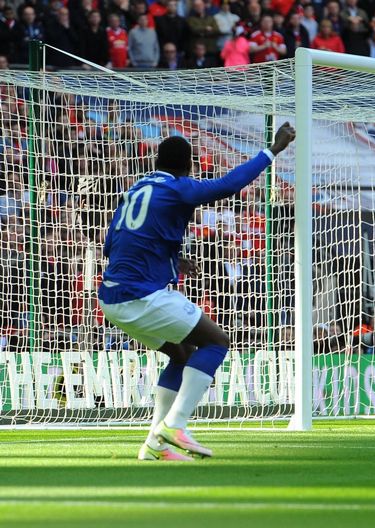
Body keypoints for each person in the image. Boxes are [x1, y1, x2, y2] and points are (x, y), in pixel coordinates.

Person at [98, 122, 296, 461]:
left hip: (111, 297)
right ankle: (175, 424)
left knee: (182, 353)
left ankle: (155, 446)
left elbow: (110, 245)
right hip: (139, 296)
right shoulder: (179, 188)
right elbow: (227, 186)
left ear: (157, 161)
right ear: (189, 165)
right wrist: (272, 151)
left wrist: (172, 260)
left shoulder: (138, 188)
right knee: (216, 342)